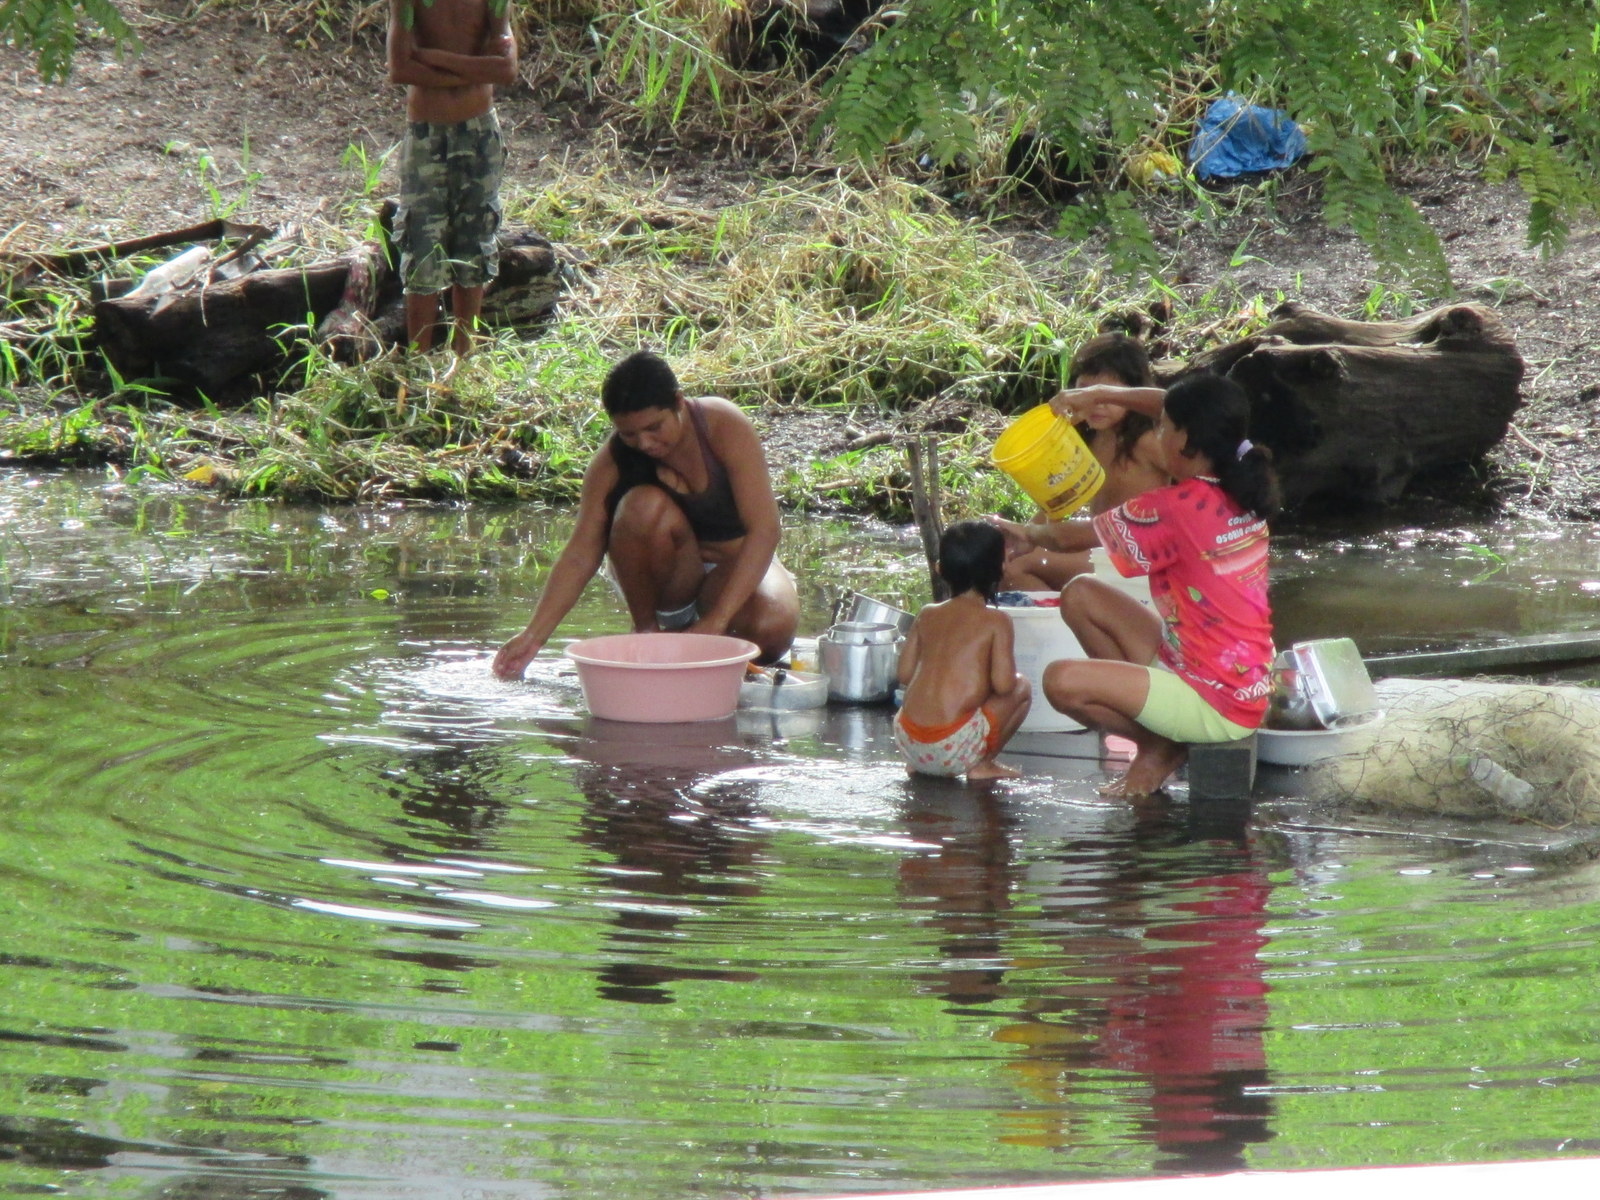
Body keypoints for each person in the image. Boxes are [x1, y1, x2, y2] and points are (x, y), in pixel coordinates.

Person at [1040, 373, 1278, 798]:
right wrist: (1100, 394)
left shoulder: (1176, 507)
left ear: (1185, 438)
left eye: (1164, 427)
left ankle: (1158, 750)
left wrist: (1019, 535)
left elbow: (1065, 538)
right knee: (1081, 594)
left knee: (1061, 681)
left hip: (1215, 700)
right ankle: (1159, 744)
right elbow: (1170, 403)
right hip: (1231, 673)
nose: (1157, 432)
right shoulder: (1237, 476)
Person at [492, 350, 799, 679]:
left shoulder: (723, 425)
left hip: (734, 568)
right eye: (630, 434)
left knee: (769, 629)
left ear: (678, 402)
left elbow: (765, 530)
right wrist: (533, 637)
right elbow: (581, 554)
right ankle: (648, 635)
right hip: (671, 583)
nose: (645, 443)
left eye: (654, 428)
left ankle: (690, 643)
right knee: (641, 505)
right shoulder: (612, 462)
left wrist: (717, 621)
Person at [387, 0, 518, 358]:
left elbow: (506, 69)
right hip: (427, 134)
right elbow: (399, 69)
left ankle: (464, 359)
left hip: (479, 132)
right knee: (422, 244)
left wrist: (434, 58)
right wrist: (479, 69)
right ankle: (418, 364)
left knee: (474, 245)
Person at [992, 332, 1169, 591]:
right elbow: (1059, 503)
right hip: (1100, 549)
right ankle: (1069, 620)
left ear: (1133, 395)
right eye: (1085, 391)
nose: (1096, 405)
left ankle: (1072, 624)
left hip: (1136, 556)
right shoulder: (1089, 438)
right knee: (1005, 563)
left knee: (1020, 566)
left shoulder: (1147, 440)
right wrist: (1023, 533)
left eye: (1106, 395)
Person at [893, 521, 1033, 782]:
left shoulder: (927, 613)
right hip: (950, 746)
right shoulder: (997, 621)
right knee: (1021, 687)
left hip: (908, 740)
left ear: (940, 569)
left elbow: (904, 674)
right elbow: (1004, 686)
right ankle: (983, 765)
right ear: (1001, 568)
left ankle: (917, 764)